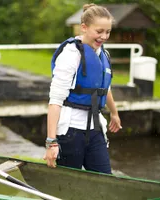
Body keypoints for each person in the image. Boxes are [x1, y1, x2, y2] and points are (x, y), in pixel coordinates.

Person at [43, 3, 122, 174]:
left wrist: (114, 113)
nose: (104, 36)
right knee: (68, 185)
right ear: (84, 28)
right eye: (99, 31)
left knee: (104, 181)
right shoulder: (71, 55)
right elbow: (55, 101)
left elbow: (103, 88)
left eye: (107, 32)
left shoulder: (103, 54)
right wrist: (51, 142)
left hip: (95, 129)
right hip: (70, 132)